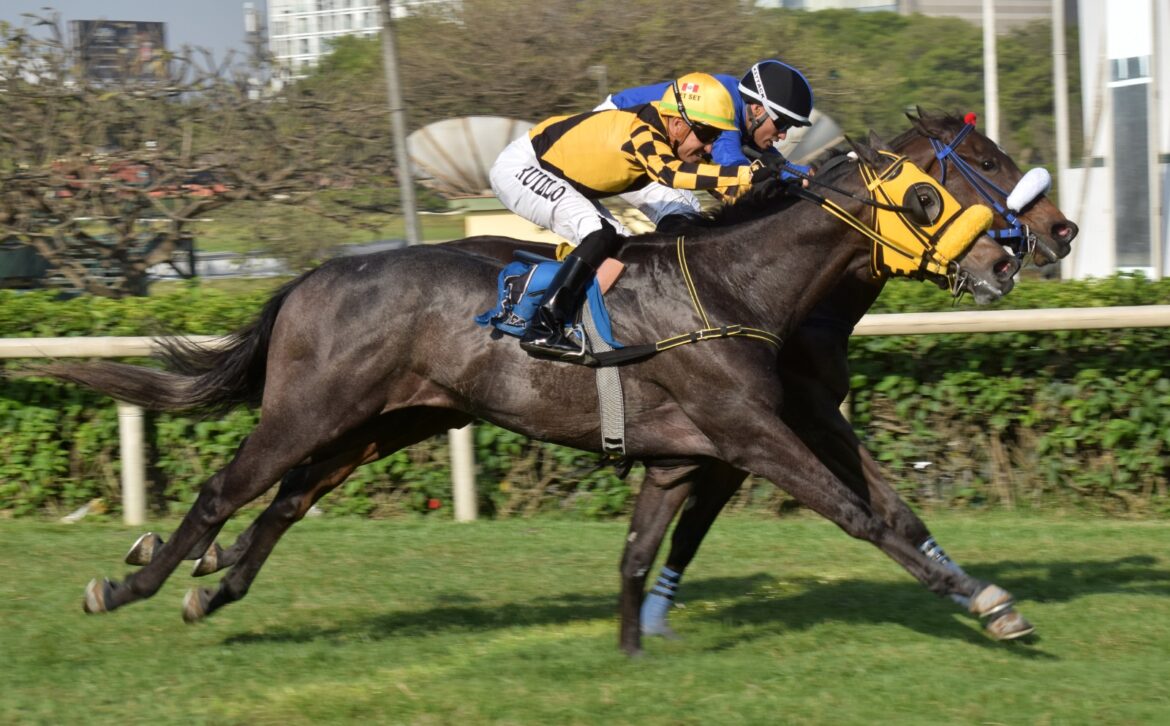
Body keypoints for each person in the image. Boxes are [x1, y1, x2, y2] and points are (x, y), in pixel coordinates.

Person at [489, 72, 780, 362]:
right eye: (706, 135)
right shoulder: (643, 129)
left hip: (560, 175)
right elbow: (672, 174)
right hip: (522, 168)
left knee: (621, 249)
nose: (708, 148)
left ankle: (581, 321)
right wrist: (744, 173)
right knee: (599, 234)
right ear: (677, 123)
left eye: (714, 138)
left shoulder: (670, 133)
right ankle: (542, 324)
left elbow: (714, 183)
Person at [598, 59, 815, 231]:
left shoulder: (742, 106)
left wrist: (809, 175)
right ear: (758, 109)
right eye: (782, 124)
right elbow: (733, 168)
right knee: (685, 214)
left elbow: (774, 163)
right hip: (613, 131)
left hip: (632, 135)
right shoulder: (725, 108)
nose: (784, 135)